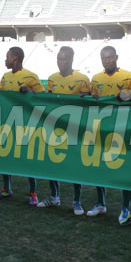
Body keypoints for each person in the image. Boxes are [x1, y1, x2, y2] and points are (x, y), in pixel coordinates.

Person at [38, 46, 90, 213]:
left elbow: (88, 105)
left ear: (71, 60)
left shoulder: (82, 79)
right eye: (59, 59)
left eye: (64, 59)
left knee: (75, 164)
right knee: (52, 162)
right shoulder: (52, 79)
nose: (61, 62)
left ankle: (77, 201)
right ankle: (54, 196)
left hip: (74, 128)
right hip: (56, 128)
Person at [88, 46, 131, 219]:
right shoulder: (96, 78)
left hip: (122, 127)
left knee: (123, 168)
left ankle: (125, 207)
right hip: (102, 127)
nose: (106, 61)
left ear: (116, 57)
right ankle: (101, 203)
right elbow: (93, 98)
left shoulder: (128, 76)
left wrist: (129, 94)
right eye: (103, 58)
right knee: (99, 167)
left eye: (109, 57)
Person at [0, 46, 45, 205]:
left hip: (25, 123)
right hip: (7, 123)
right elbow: (5, 97)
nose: (5, 60)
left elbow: (43, 96)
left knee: (27, 159)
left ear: (15, 58)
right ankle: (6, 189)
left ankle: (33, 193)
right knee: (5, 156)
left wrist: (30, 91)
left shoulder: (30, 76)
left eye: (7, 57)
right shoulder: (6, 76)